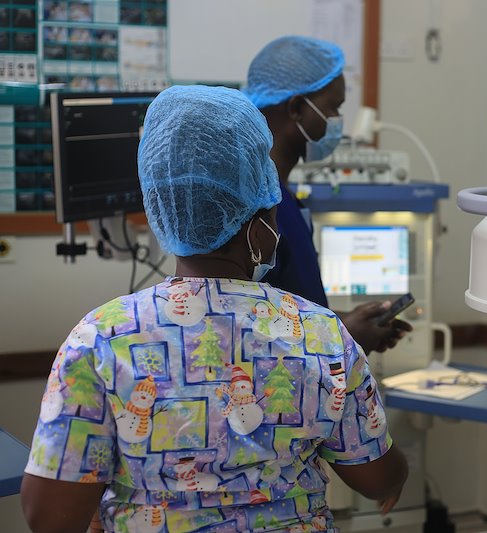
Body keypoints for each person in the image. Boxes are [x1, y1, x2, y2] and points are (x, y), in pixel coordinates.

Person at [20, 85, 407, 533]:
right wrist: (397, 475)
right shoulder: (321, 334)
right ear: (261, 224)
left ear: (160, 208)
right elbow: (378, 477)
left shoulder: (99, 340)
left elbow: (48, 516)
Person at [242, 36, 412, 355]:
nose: (337, 121)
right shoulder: (260, 209)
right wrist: (342, 334)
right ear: (296, 108)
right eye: (333, 107)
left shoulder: (284, 200)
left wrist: (347, 324)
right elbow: (252, 329)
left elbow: (296, 306)